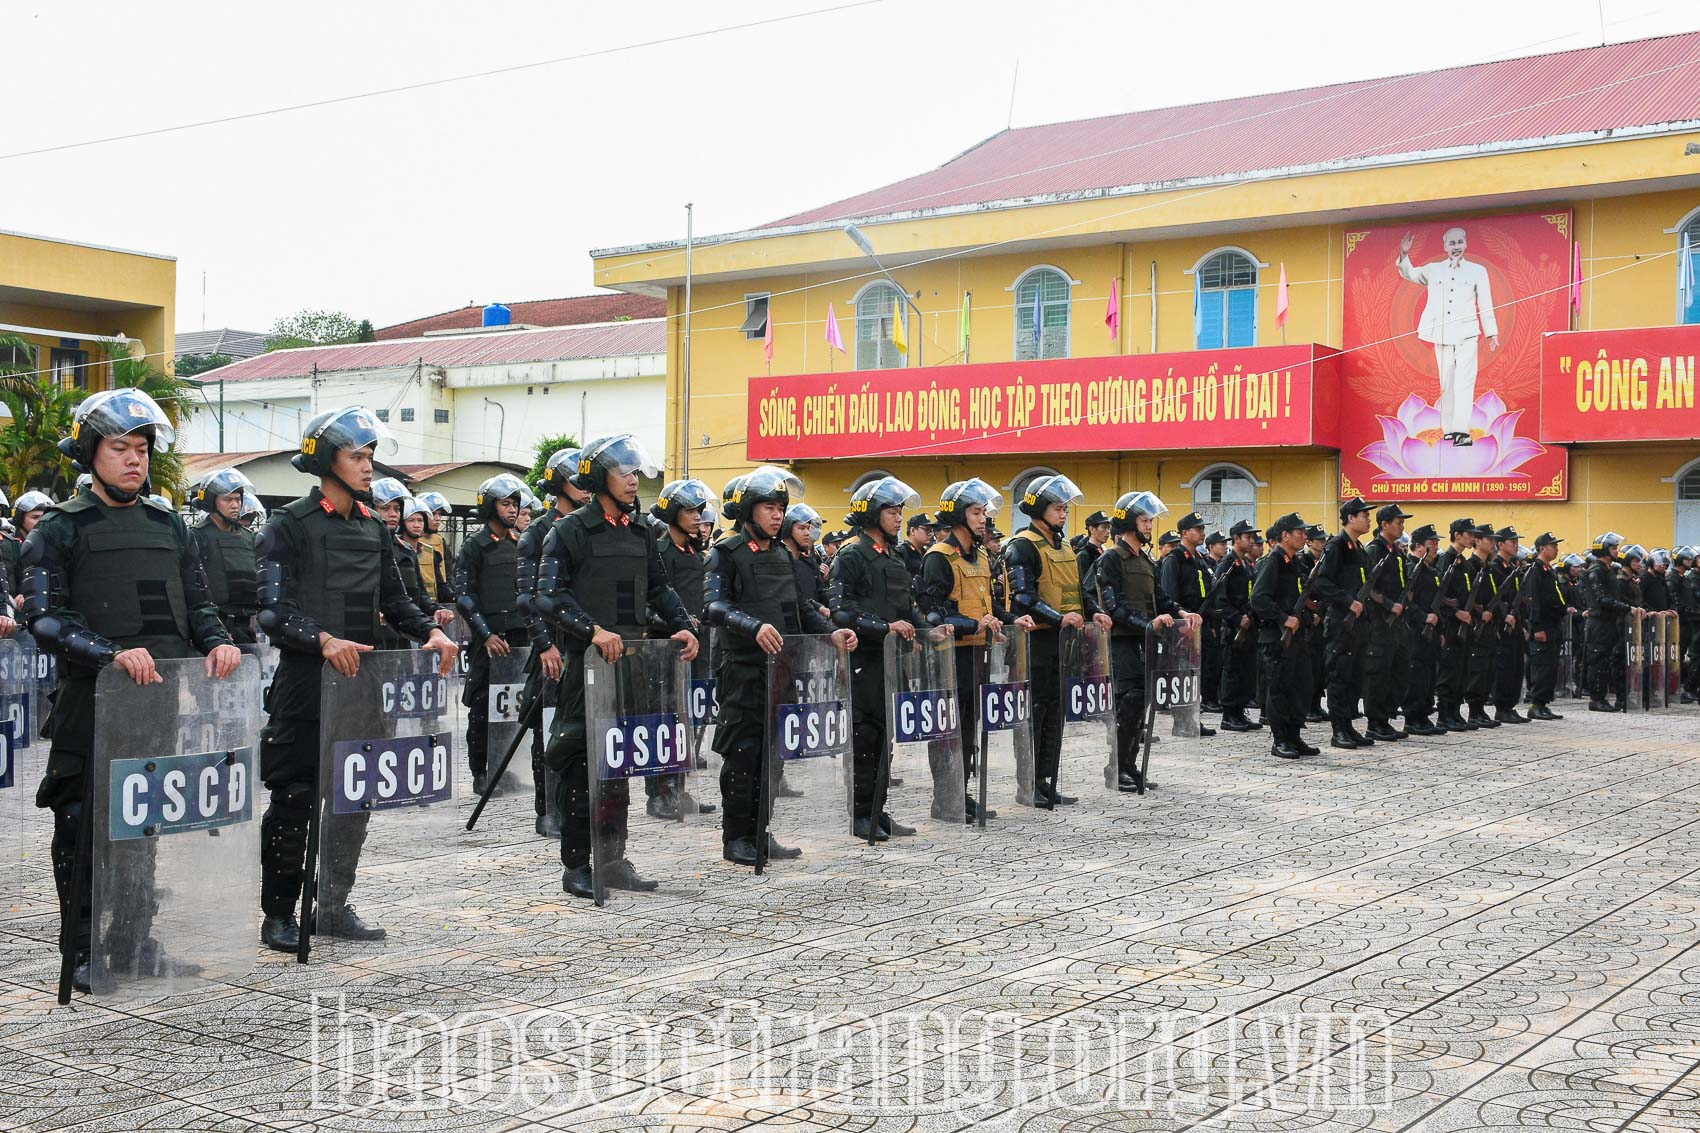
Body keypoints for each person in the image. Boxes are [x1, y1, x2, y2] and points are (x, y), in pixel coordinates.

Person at [21, 390, 219, 993]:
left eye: (141, 449)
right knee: (82, 824)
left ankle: (134, 943)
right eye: (119, 448)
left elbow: (198, 600)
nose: (134, 460)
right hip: (91, 701)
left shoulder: (167, 526)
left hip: (158, 699)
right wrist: (109, 654)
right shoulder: (59, 528)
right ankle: (79, 951)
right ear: (90, 451)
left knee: (144, 820)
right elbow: (44, 618)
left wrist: (218, 641)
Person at [253, 406, 459, 952]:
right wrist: (322, 640)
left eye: (370, 457)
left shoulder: (372, 527)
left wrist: (429, 635)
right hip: (305, 684)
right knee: (295, 800)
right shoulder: (289, 526)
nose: (368, 468)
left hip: (363, 685)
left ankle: (334, 905)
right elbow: (273, 611)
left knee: (353, 800)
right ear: (326, 461)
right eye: (356, 457)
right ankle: (279, 914)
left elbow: (397, 600)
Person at [534, 435, 697, 899]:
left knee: (619, 765)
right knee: (583, 765)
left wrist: (683, 625)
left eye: (634, 470)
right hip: (587, 666)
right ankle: (577, 864)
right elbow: (547, 596)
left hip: (633, 666)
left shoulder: (642, 529)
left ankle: (613, 856)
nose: (633, 479)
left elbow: (659, 589)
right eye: (622, 471)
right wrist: (592, 631)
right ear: (597, 476)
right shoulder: (569, 530)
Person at [706, 468, 852, 864]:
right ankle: (736, 837)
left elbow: (800, 607)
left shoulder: (783, 556)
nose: (776, 515)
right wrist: (752, 627)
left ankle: (760, 830)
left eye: (780, 508)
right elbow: (714, 607)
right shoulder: (727, 551)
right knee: (743, 754)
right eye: (769, 507)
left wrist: (830, 633)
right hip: (743, 670)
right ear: (749, 510)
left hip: (782, 671)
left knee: (773, 756)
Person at [824, 476, 927, 840]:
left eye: (900, 511)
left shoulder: (895, 556)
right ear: (871, 514)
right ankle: (860, 814)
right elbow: (840, 611)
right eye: (891, 511)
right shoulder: (851, 554)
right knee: (864, 738)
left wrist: (920, 631)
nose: (899, 518)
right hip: (863, 658)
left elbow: (905, 606)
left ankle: (878, 809)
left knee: (886, 738)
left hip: (891, 659)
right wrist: (885, 628)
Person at [917, 479, 1024, 821]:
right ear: (958, 516)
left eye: (984, 513)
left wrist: (1008, 620)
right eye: (976, 512)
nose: (983, 519)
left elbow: (985, 605)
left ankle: (959, 793)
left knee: (968, 725)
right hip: (950, 656)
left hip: (977, 653)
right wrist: (973, 625)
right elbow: (933, 612)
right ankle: (945, 798)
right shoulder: (939, 557)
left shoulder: (979, 556)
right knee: (948, 728)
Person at [1006, 474, 1100, 806]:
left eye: (1065, 509)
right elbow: (1023, 598)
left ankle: (1046, 780)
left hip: (1064, 642)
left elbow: (1078, 590)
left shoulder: (1063, 547)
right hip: (1037, 643)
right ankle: (1027, 784)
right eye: (1058, 508)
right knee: (1034, 714)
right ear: (1039, 510)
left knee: (1054, 713)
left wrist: (1095, 611)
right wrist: (1059, 618)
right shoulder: (1022, 546)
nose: (1064, 514)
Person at [1087, 491, 1190, 791]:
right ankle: (1115, 769)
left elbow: (1160, 597)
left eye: (1150, 521)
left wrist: (1183, 612)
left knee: (1140, 706)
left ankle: (1130, 766)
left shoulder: (1144, 559)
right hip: (1123, 643)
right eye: (1145, 520)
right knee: (1128, 706)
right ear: (1130, 522)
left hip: (1146, 641)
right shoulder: (1111, 559)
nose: (1149, 526)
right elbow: (1113, 606)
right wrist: (1148, 624)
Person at [513, 447, 586, 838]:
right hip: (551, 650)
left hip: (584, 647)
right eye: (576, 480)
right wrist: (543, 646)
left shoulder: (590, 528)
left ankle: (578, 807)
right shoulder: (538, 532)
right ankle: (549, 810)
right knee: (549, 731)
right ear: (559, 484)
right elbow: (527, 599)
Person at [453, 473, 530, 796]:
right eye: (505, 503)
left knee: (513, 709)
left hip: (518, 640)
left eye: (515, 504)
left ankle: (505, 767)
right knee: (483, 708)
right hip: (491, 642)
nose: (512, 510)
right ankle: (481, 772)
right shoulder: (475, 546)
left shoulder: (518, 544)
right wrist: (485, 635)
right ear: (489, 506)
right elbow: (465, 596)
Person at [646, 477, 717, 820]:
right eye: (690, 510)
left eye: (700, 511)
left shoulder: (695, 553)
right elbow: (646, 602)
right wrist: (675, 624)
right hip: (665, 648)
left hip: (695, 648)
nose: (697, 517)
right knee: (663, 719)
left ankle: (679, 789)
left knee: (685, 722)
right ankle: (659, 794)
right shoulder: (658, 551)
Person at [1396, 227, 1499, 445]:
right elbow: (1410, 273)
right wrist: (1404, 254)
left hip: (1467, 334)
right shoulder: (1434, 270)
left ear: (1466, 244)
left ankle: (1462, 431)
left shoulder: (1477, 271)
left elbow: (1486, 301)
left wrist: (1492, 332)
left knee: (1465, 381)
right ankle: (1450, 429)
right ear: (1445, 247)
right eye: (1452, 243)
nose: (1456, 247)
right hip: (1441, 334)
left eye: (1460, 242)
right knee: (1447, 382)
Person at [1250, 512, 1317, 760]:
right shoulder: (1273, 561)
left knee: (1301, 686)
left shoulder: (1295, 562)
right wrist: (1282, 618)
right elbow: (1258, 599)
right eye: (1299, 532)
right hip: (1276, 637)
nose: (1304, 535)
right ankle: (1280, 740)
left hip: (1298, 637)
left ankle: (1294, 734)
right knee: (1279, 688)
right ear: (1285, 536)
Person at [1313, 498, 1374, 750]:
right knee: (1339, 676)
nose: (1369, 519)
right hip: (1340, 622)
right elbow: (1322, 582)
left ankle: (1349, 726)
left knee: (1354, 676)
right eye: (1364, 515)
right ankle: (1338, 730)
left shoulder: (1358, 547)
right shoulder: (1336, 546)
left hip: (1358, 624)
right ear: (1350, 518)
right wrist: (1348, 601)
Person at [1157, 511, 1217, 735]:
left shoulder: (1198, 559)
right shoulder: (1174, 559)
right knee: (1182, 674)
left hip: (1200, 624)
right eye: (1198, 529)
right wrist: (1180, 622)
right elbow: (1169, 596)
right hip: (1182, 627)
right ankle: (1181, 721)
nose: (1202, 533)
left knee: (1195, 675)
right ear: (1184, 533)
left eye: (1202, 529)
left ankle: (1192, 717)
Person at [187, 469, 261, 644]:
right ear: (212, 503)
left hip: (246, 628)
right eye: (228, 499)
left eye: (238, 499)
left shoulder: (249, 537)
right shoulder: (197, 536)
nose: (235, 505)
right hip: (212, 630)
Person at [1359, 503, 1413, 742]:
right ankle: (1375, 722)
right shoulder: (1374, 551)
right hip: (1380, 622)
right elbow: (1368, 588)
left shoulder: (1396, 552)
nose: (1402, 526)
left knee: (1398, 670)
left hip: (1397, 623)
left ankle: (1386, 717)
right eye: (1398, 522)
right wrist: (1389, 605)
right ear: (1385, 525)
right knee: (1378, 672)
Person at [1213, 520, 1263, 732]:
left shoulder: (1244, 564)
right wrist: (1235, 617)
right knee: (1232, 671)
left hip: (1248, 625)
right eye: (1248, 537)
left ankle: (1240, 711)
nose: (1252, 541)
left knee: (1246, 671)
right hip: (1233, 628)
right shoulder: (1227, 564)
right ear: (1236, 539)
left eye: (1253, 537)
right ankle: (1229, 715)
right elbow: (1219, 597)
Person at [1400, 524, 1446, 736]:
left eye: (1436, 543)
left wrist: (1440, 629)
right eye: (1432, 544)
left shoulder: (1430, 570)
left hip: (1432, 631)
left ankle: (1424, 714)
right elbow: (1408, 603)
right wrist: (1423, 617)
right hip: (1416, 630)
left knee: (1428, 674)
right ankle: (1412, 717)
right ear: (1418, 547)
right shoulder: (1412, 569)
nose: (1436, 547)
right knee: (1416, 674)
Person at [1523, 532, 1569, 720]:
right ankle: (1536, 704)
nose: (1556, 549)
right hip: (1543, 626)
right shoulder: (1535, 570)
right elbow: (1532, 599)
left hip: (1553, 625)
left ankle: (1543, 703)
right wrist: (1537, 627)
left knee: (1550, 666)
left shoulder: (1547, 569)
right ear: (1542, 548)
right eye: (1553, 546)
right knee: (1541, 666)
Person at [1487, 527, 1530, 724]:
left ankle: (1511, 706)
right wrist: (1505, 617)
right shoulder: (1495, 567)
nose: (1516, 545)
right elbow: (1495, 598)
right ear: (1500, 544)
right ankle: (1501, 707)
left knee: (1516, 666)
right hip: (1501, 626)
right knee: (1504, 667)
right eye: (1512, 542)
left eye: (1516, 542)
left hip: (1516, 624)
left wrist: (1521, 623)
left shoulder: (1512, 568)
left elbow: (1518, 599)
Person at [1583, 532, 1631, 712]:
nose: (1616, 551)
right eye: (1613, 548)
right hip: (1600, 623)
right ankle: (1596, 699)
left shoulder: (1608, 570)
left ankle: (1601, 698)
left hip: (1609, 622)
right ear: (1603, 550)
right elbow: (1602, 599)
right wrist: (1627, 608)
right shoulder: (1596, 571)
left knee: (1605, 662)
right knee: (1598, 661)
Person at [1298, 524, 1329, 722]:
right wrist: (1312, 609)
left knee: (1320, 665)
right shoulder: (1303, 561)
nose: (1322, 543)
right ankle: (1308, 706)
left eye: (1324, 540)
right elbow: (1302, 589)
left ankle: (1317, 703)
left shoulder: (1324, 561)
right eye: (1319, 540)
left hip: (1322, 617)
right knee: (1308, 665)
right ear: (1309, 542)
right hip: (1308, 620)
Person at [5, 490, 54, 602]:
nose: (41, 521)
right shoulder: (8, 545)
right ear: (19, 518)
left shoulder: (56, 543)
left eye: (45, 516)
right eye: (35, 517)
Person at [415, 491, 455, 602]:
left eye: (439, 514)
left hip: (438, 603)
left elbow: (448, 573)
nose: (437, 518)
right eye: (433, 514)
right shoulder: (412, 540)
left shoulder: (440, 540)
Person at [1075, 510, 1112, 579]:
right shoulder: (1084, 555)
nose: (1108, 532)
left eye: (1109, 528)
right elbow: (1083, 583)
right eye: (1104, 527)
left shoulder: (1104, 552)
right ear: (1092, 529)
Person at [900, 512, 934, 582]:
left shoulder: (926, 553)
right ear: (912, 531)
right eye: (926, 529)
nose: (930, 534)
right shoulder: (902, 552)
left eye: (930, 530)